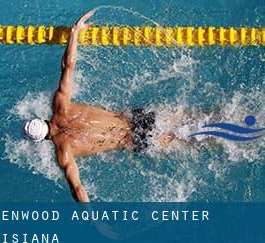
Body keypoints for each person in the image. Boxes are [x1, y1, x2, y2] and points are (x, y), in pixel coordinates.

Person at [23, 11, 175, 202]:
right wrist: (74, 33)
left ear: (41, 140)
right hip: (137, 118)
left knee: (192, 141)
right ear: (41, 119)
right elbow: (68, 66)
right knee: (191, 118)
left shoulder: (64, 152)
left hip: (136, 140)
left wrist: (94, 221)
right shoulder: (60, 105)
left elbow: (77, 189)